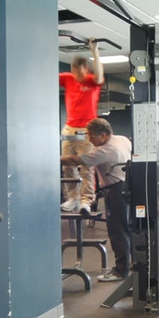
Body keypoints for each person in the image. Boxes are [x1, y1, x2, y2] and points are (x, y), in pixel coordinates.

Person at [61, 117, 131, 282]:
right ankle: (132, 265)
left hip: (116, 190)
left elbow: (76, 160)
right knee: (127, 229)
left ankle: (120, 271)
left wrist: (53, 158)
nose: (89, 140)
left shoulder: (105, 150)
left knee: (117, 231)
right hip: (127, 187)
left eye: (92, 137)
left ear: (104, 135)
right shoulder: (122, 139)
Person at [58, 41, 104, 212]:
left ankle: (86, 200)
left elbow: (99, 75)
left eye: (78, 71)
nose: (75, 74)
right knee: (67, 166)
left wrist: (95, 51)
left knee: (86, 167)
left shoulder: (92, 81)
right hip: (69, 129)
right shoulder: (68, 78)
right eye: (73, 71)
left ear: (86, 69)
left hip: (87, 130)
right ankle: (73, 198)